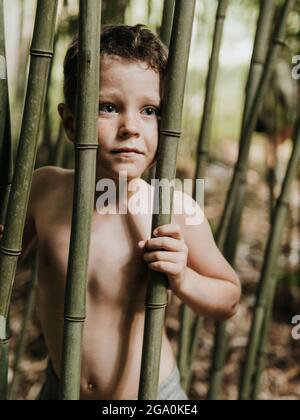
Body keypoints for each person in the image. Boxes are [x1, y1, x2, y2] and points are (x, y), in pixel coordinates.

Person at [0, 24, 241, 400]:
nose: (131, 127)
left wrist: (183, 278)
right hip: (60, 389)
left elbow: (229, 296)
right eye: (109, 107)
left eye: (150, 111)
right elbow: (6, 257)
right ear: (70, 121)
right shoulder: (44, 189)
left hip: (152, 395)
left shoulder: (172, 208)